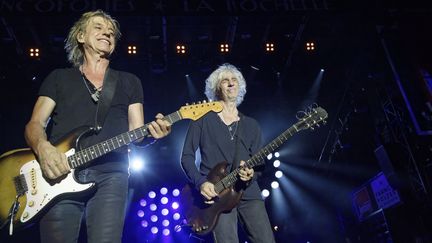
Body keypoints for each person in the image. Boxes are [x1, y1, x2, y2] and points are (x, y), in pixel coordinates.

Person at [24, 10, 171, 243]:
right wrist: (44, 149)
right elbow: (34, 124)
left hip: (112, 174)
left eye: (111, 31)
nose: (107, 33)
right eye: (99, 27)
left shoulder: (129, 82)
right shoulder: (58, 78)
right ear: (81, 36)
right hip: (59, 175)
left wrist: (154, 134)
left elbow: (138, 132)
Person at [180, 63, 275, 243]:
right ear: (217, 88)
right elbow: (186, 156)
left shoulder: (251, 125)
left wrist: (251, 174)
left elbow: (260, 166)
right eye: (225, 81)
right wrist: (201, 183)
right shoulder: (201, 119)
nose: (231, 84)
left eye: (234, 80)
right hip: (216, 196)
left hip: (249, 194)